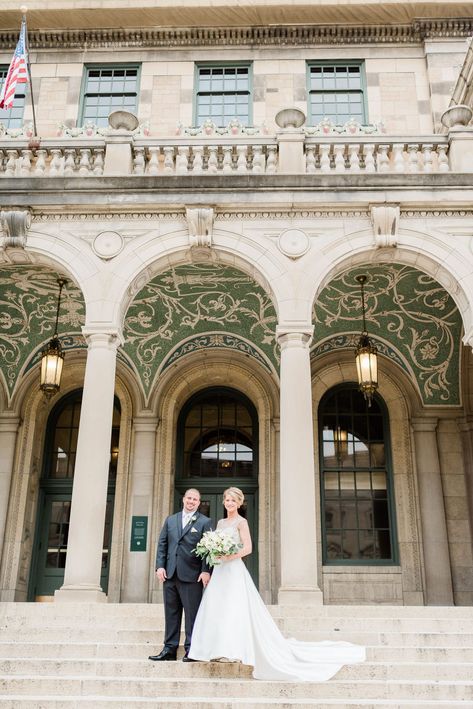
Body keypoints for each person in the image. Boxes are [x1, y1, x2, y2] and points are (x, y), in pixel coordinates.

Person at [189, 486, 366, 681]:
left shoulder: (242, 522)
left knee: (234, 608)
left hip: (233, 569)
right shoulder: (221, 522)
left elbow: (248, 548)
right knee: (218, 607)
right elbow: (215, 544)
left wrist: (230, 554)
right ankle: (214, 648)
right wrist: (215, 552)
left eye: (233, 500)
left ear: (239, 503)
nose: (229, 503)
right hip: (220, 570)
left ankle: (234, 650)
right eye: (227, 500)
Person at [149, 488, 212, 662]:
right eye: (189, 498)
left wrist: (205, 570)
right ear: (184, 499)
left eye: (195, 500)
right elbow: (162, 544)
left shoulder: (204, 522)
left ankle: (192, 650)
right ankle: (169, 649)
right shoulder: (170, 520)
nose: (191, 501)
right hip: (170, 574)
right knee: (171, 613)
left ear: (199, 503)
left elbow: (208, 549)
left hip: (192, 576)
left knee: (192, 615)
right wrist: (160, 567)